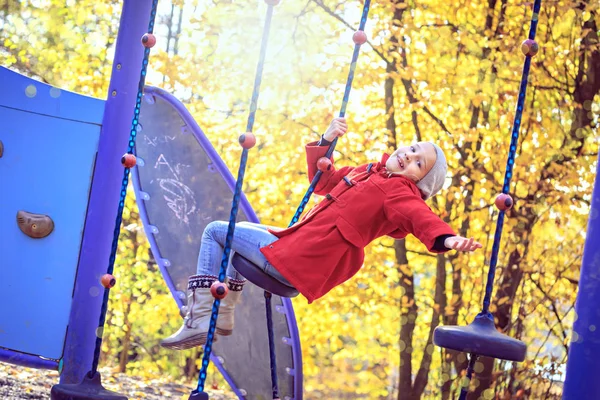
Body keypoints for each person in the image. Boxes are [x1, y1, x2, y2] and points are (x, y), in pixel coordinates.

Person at [161, 117, 482, 350]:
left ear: (419, 182)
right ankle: (223, 316)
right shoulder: (367, 171)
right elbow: (321, 181)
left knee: (217, 231)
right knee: (235, 237)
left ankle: (201, 318)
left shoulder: (400, 192)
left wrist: (447, 238)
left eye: (417, 162)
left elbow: (419, 217)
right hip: (292, 244)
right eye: (412, 149)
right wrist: (326, 138)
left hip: (297, 260)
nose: (408, 156)